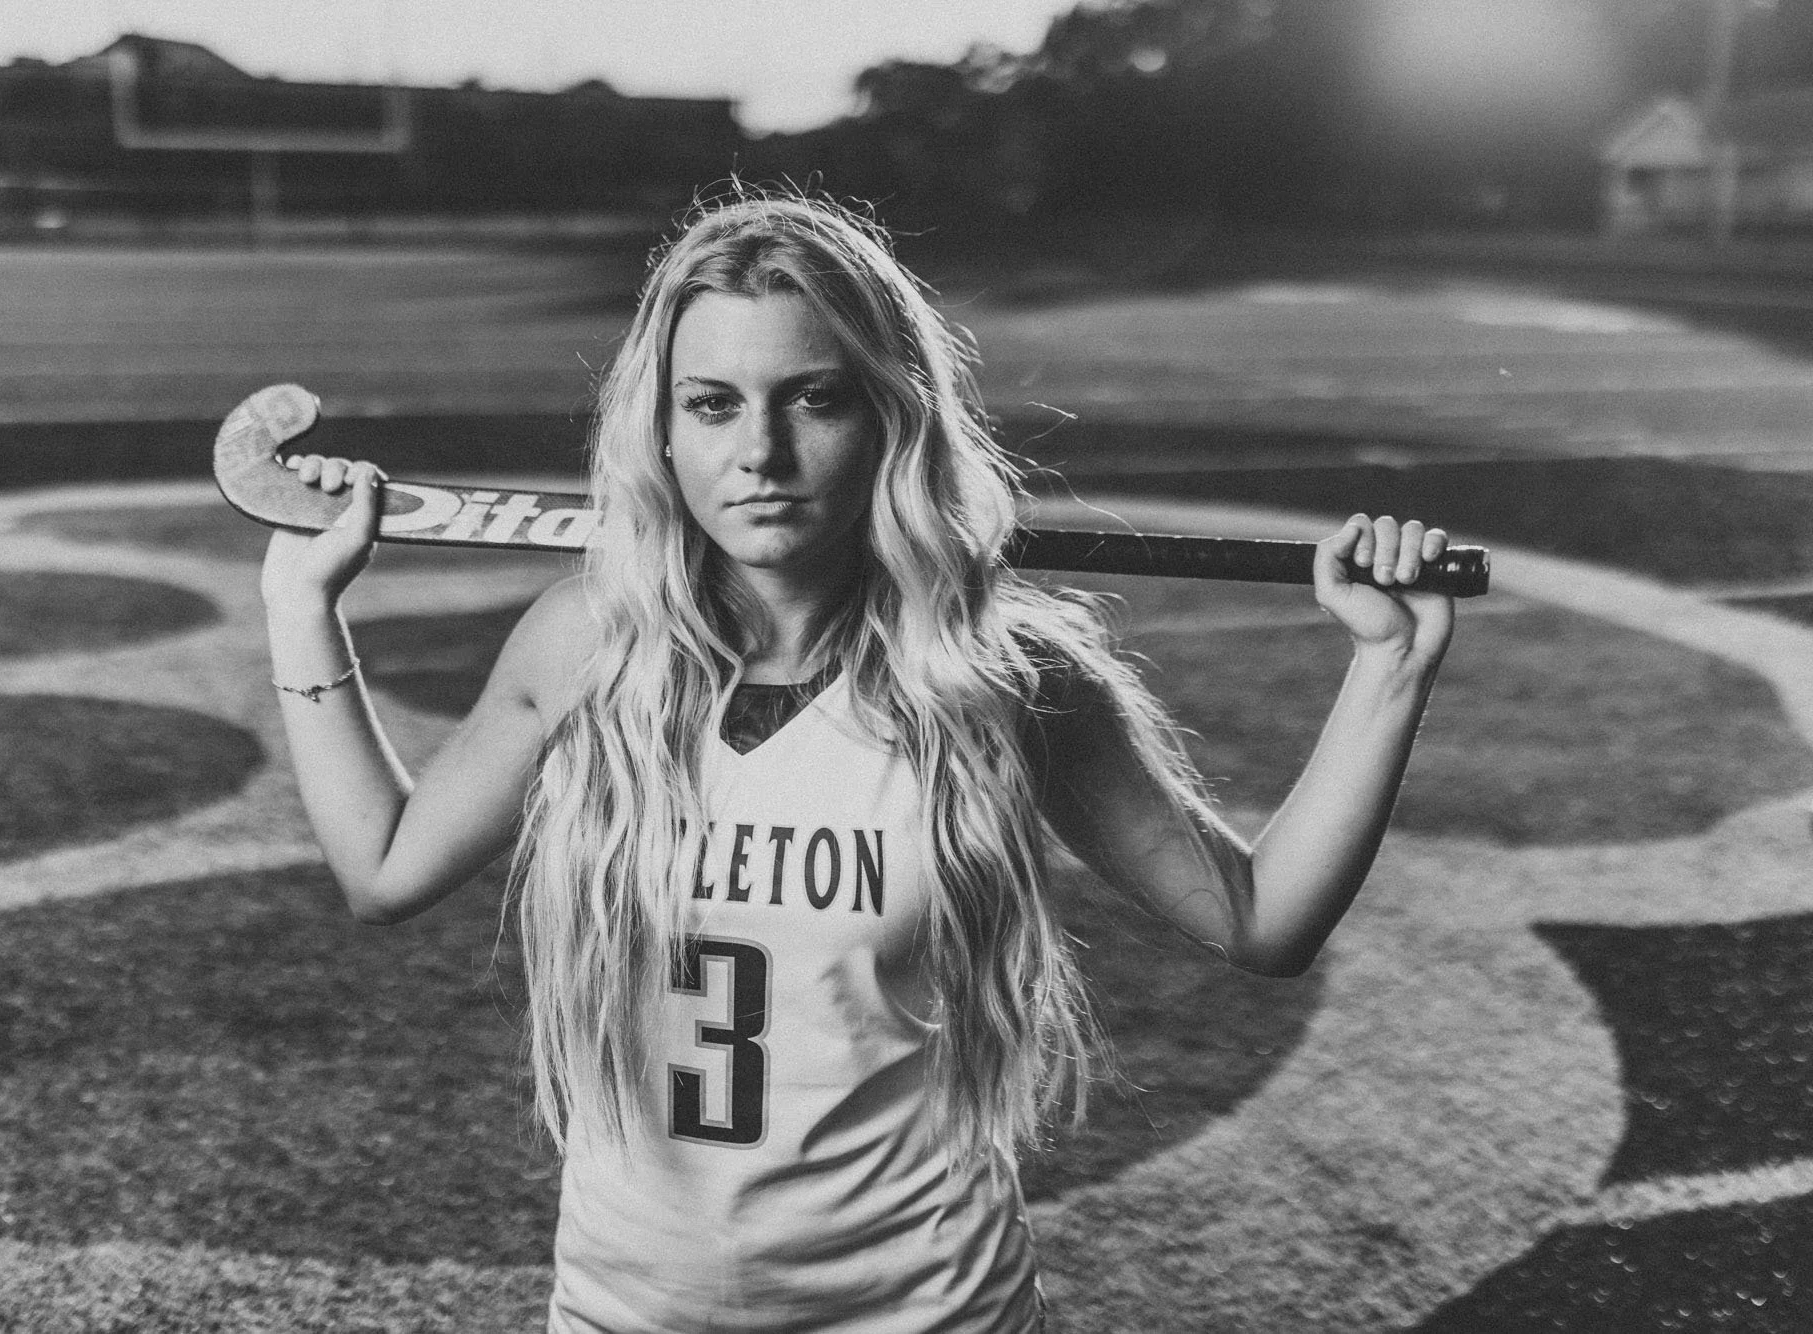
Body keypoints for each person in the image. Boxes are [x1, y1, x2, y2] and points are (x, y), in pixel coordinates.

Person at [258, 192, 1455, 1332]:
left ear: (888, 415)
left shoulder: (1001, 675)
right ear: (660, 431)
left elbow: (1259, 919)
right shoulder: (584, 645)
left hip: (924, 1303)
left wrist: (1389, 664)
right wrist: (302, 608)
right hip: (630, 1304)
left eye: (814, 398)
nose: (761, 451)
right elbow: (383, 868)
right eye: (712, 404)